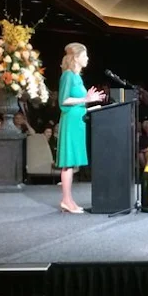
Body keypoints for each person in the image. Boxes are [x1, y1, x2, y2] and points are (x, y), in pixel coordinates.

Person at [57, 43, 105, 213]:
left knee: (72, 163)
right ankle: (66, 200)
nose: (87, 58)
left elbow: (81, 100)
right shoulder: (68, 76)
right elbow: (63, 101)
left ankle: (69, 200)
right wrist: (86, 99)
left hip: (78, 122)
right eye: (85, 55)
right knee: (68, 162)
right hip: (70, 122)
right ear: (76, 58)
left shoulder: (77, 77)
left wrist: (90, 104)